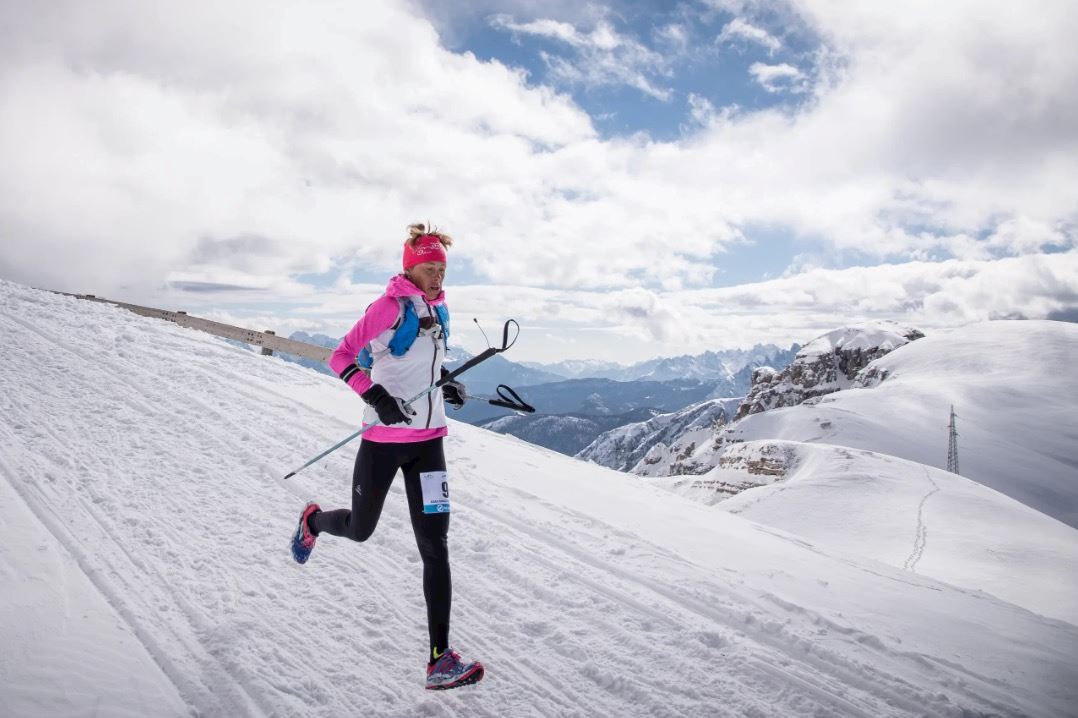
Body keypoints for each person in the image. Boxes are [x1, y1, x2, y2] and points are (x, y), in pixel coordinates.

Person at [289, 223, 480, 691]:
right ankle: (313, 522)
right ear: (409, 269)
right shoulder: (387, 307)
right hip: (383, 443)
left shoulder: (440, 306)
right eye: (429, 269)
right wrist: (374, 395)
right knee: (360, 529)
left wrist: (447, 381)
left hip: (429, 443)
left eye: (441, 269)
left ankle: (440, 659)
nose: (437, 277)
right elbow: (341, 356)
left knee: (436, 546)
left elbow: (427, 362)